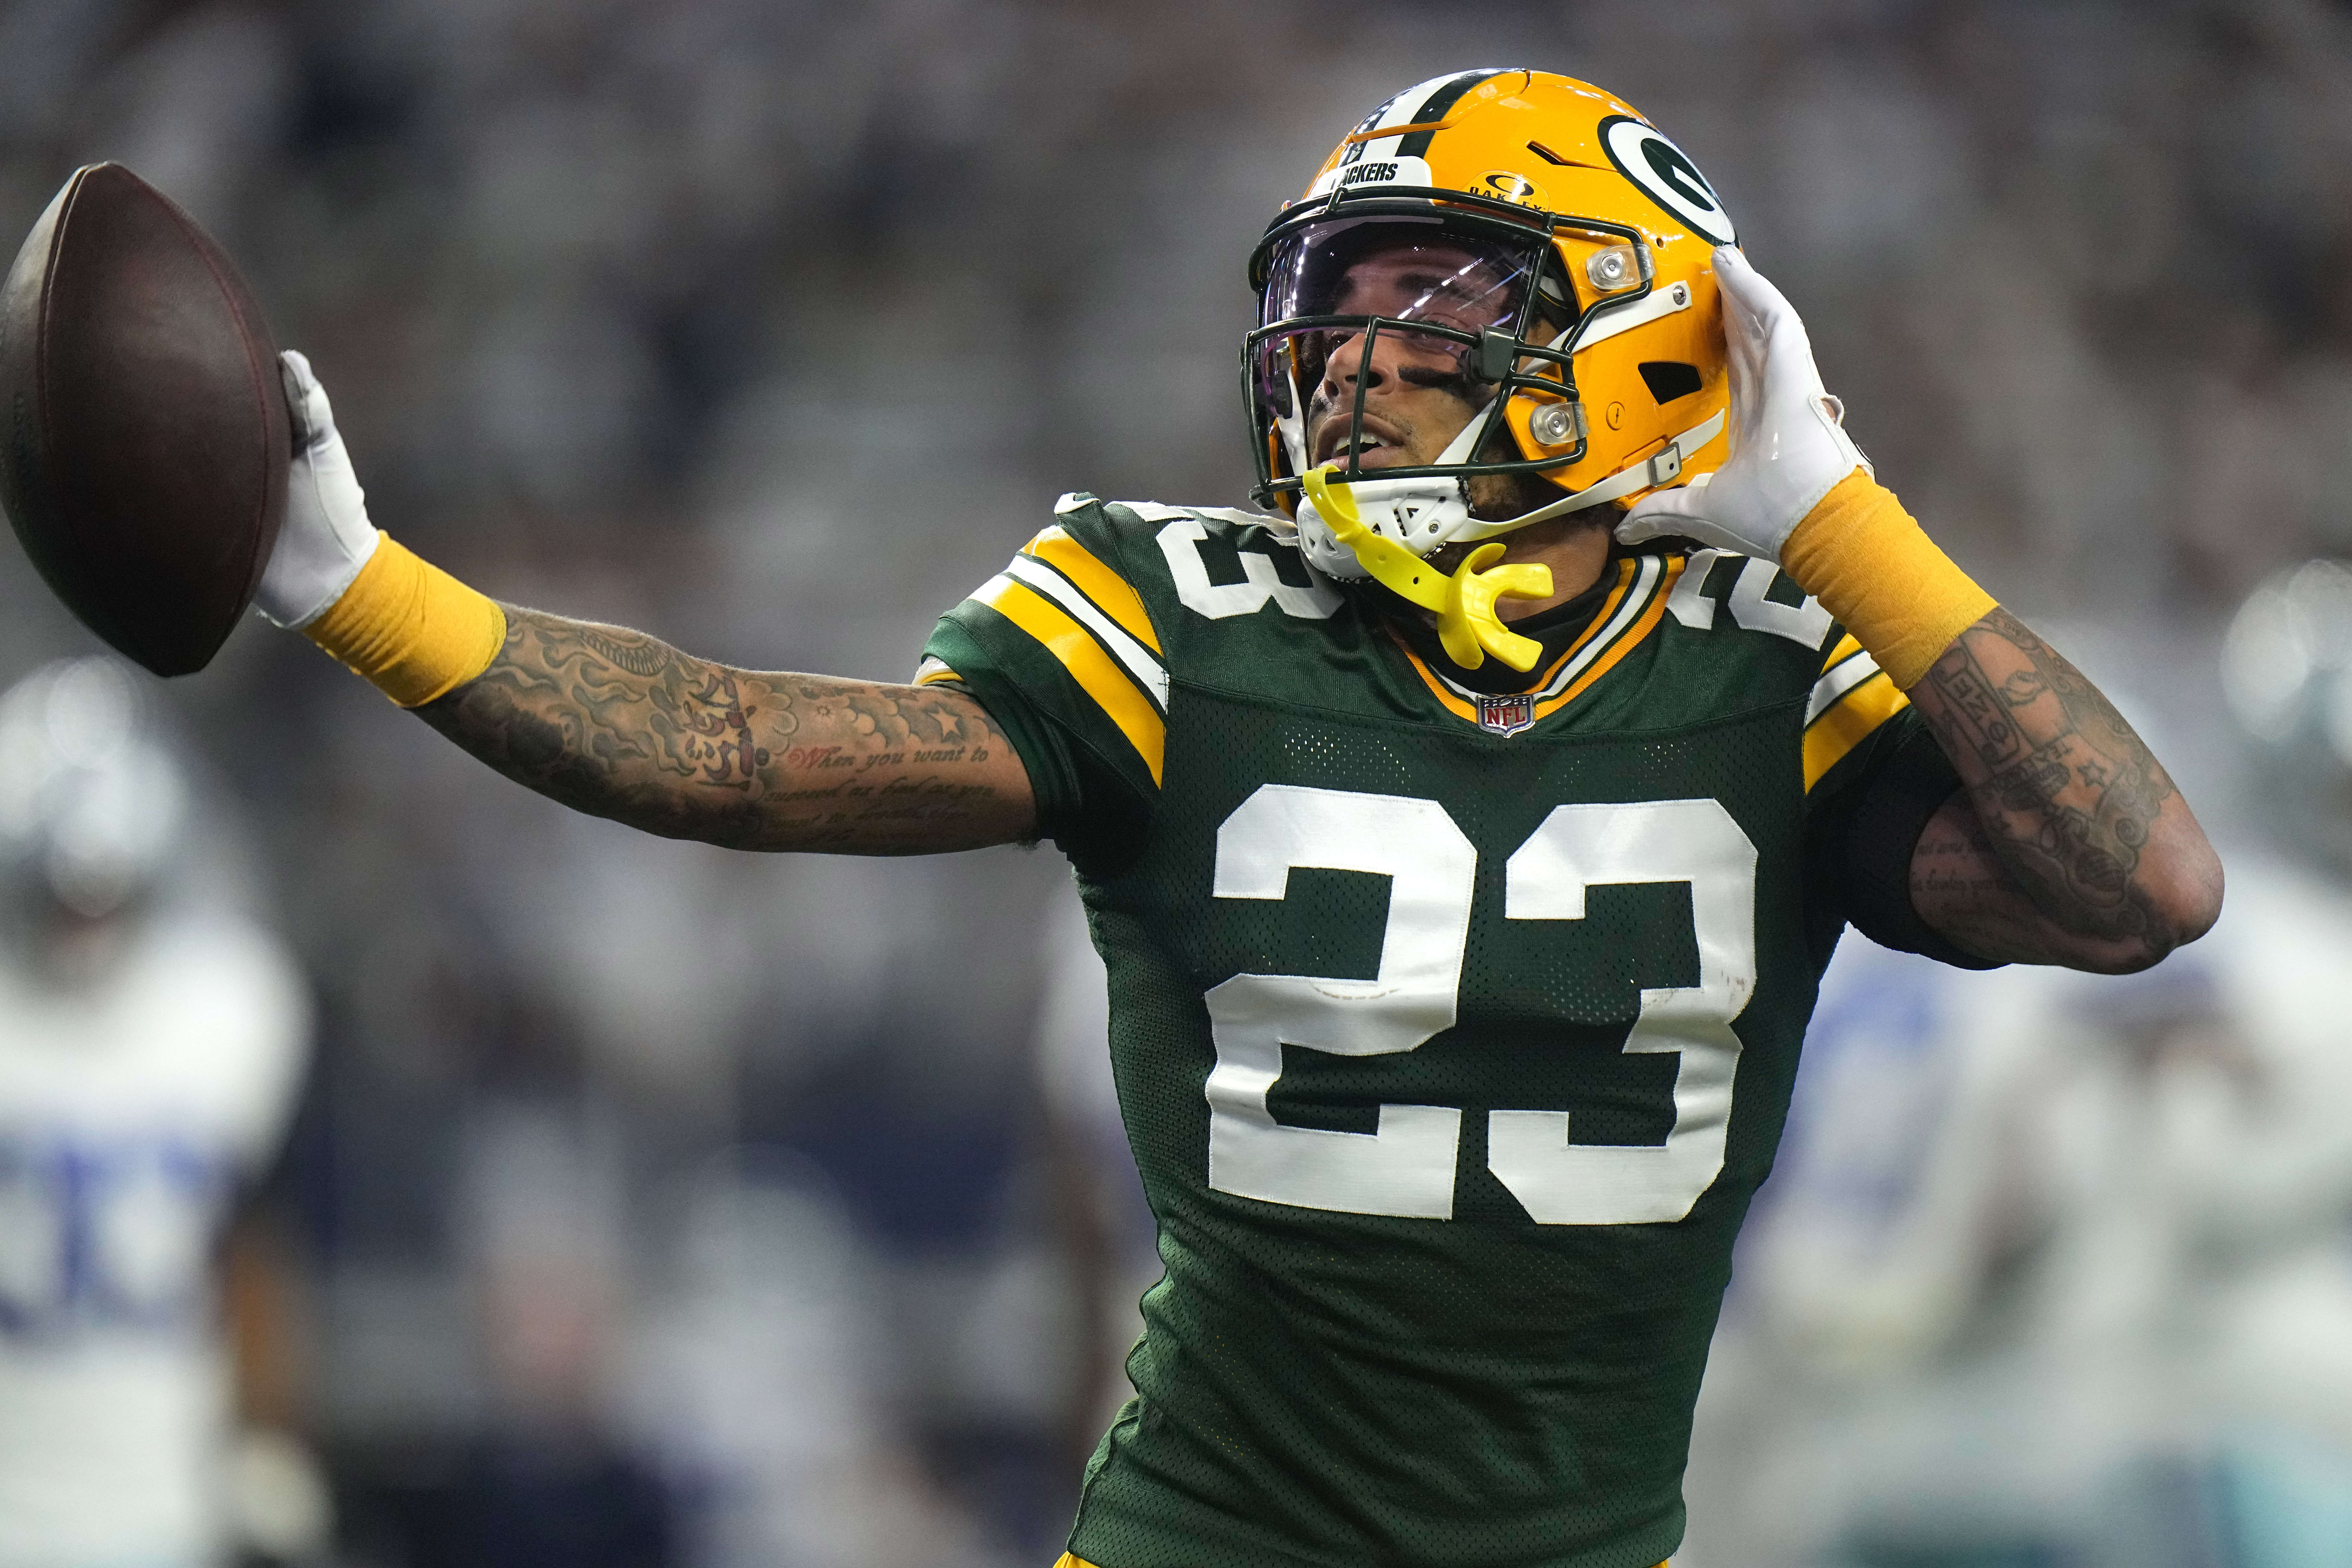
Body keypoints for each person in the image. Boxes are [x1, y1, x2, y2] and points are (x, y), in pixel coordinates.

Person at [226, 69, 2221, 1568]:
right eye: (1335, 308)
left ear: (1633, 347)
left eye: (1435, 302)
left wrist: (1831, 515)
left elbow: (2145, 886)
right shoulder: (1181, 620)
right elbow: (740, 751)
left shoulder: (1773, 655)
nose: (1355, 361)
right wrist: (364, 591)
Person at [0, 656, 320, 1568]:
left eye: (107, 898)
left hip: (161, 1507)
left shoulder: (226, 1010)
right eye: (59, 901)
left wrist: (266, 1438)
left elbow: (249, 1248)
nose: (84, 928)